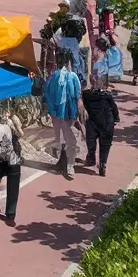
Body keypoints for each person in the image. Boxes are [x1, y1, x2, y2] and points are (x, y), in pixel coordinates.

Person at [44, 47, 85, 180]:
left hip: (57, 113)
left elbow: (47, 93)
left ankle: (63, 163)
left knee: (60, 138)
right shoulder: (72, 77)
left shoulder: (53, 76)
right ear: (68, 62)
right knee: (70, 140)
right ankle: (69, 166)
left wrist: (51, 109)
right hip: (66, 113)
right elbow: (78, 94)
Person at [82, 85, 120, 176]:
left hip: (92, 121)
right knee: (105, 145)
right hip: (107, 122)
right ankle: (103, 164)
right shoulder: (107, 95)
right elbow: (114, 108)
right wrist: (116, 118)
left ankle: (91, 157)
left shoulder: (86, 95)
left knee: (91, 141)